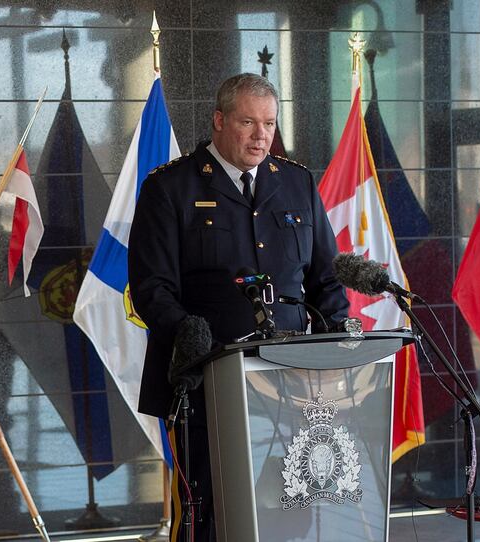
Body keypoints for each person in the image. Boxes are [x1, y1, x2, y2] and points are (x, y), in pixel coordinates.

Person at [128, 73, 349, 541]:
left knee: (294, 504)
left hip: (291, 383)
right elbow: (151, 287)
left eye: (268, 123)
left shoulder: (295, 183)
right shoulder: (169, 188)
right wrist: (186, 330)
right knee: (210, 512)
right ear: (219, 121)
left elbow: (325, 278)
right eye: (248, 122)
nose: (261, 135)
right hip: (209, 383)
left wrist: (340, 335)